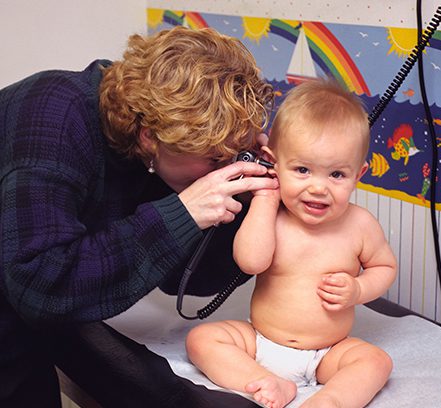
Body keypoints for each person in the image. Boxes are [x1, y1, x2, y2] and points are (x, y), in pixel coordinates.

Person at [0, 26, 278, 407]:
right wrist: (180, 215)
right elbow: (39, 283)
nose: (222, 169)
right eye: (215, 159)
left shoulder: (161, 143)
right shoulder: (54, 118)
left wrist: (250, 196)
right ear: (149, 136)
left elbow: (191, 278)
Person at [186, 79, 398, 408]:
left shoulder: (360, 225)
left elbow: (384, 267)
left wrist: (358, 290)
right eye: (302, 170)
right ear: (273, 163)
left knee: (376, 362)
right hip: (261, 342)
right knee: (202, 339)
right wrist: (266, 200)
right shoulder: (271, 215)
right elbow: (250, 262)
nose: (318, 188)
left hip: (328, 351)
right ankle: (265, 381)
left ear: (359, 174)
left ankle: (329, 401)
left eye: (337, 175)